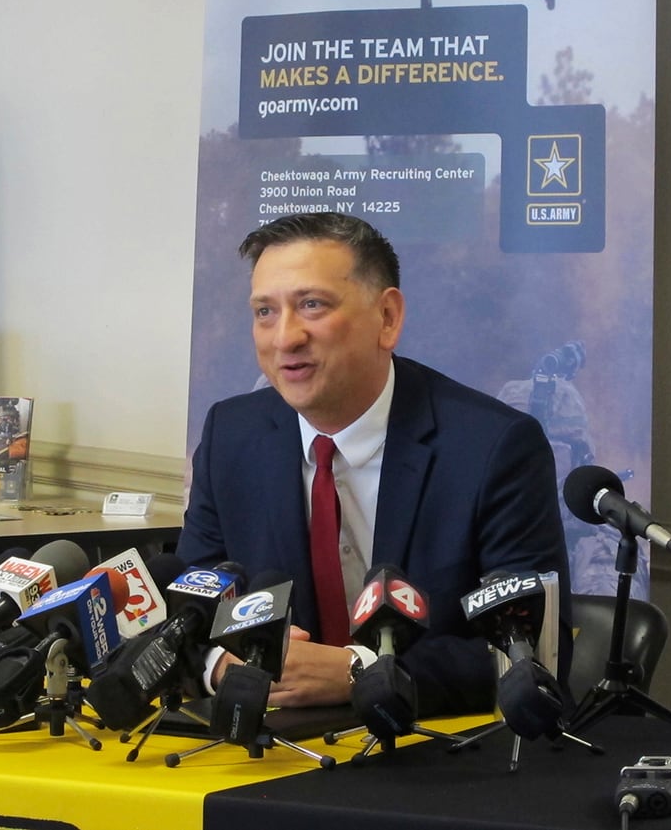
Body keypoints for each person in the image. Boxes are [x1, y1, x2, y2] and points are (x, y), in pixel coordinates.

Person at [177, 212, 571, 717]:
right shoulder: (231, 436)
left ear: (387, 318)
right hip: (272, 747)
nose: (285, 338)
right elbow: (191, 606)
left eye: (312, 305)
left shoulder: (494, 448)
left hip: (433, 759)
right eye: (264, 313)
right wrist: (220, 665)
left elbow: (529, 656)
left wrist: (358, 670)